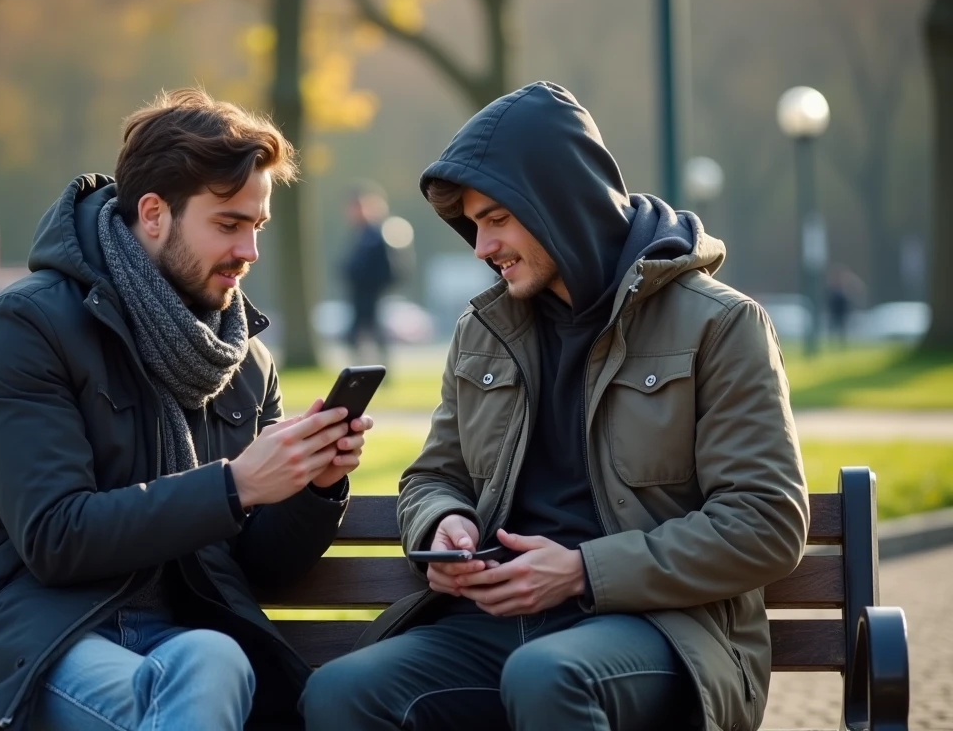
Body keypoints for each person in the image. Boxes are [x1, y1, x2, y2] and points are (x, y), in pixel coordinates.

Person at [303, 82, 809, 731]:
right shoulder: (483, 330)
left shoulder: (720, 324)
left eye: (496, 219)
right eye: (474, 225)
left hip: (663, 628)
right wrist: (442, 523)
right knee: (340, 692)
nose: (481, 247)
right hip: (492, 622)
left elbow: (765, 522)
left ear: (559, 205)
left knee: (547, 676)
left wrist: (581, 572)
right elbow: (433, 476)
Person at [0, 88, 374, 731]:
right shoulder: (30, 327)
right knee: (178, 689)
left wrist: (312, 485)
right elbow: (55, 537)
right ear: (154, 214)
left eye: (257, 226)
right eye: (228, 225)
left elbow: (255, 568)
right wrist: (236, 485)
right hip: (30, 633)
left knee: (216, 658)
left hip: (177, 635)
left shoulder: (242, 361)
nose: (250, 251)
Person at [342, 182, 395, 365]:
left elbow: (386, 268)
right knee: (359, 336)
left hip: (372, 295)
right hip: (360, 295)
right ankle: (364, 368)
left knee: (373, 335)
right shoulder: (360, 234)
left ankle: (378, 369)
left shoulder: (375, 235)